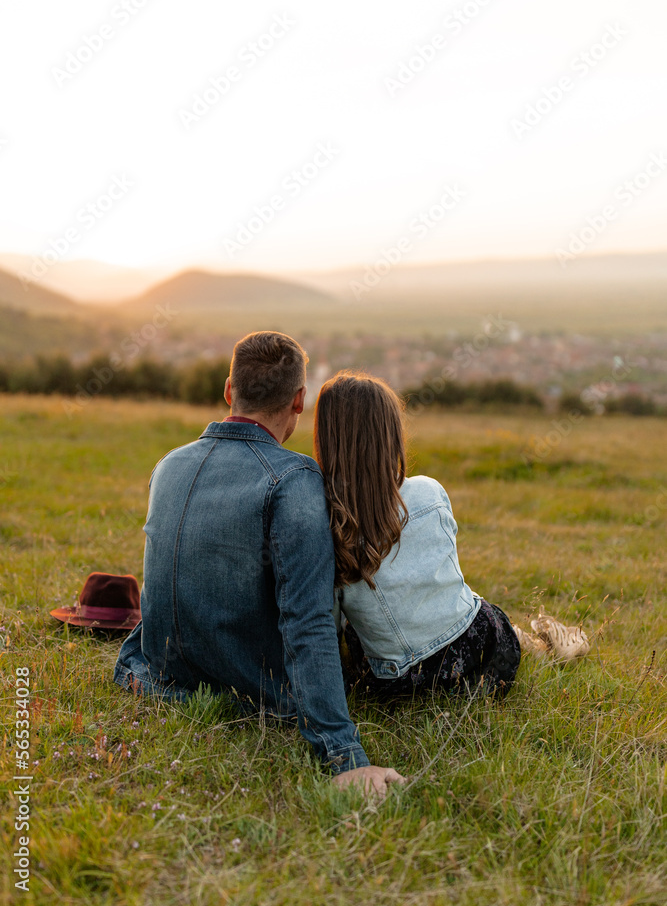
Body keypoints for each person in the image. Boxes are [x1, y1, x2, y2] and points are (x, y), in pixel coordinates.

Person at [114, 332, 404, 796]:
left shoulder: (168, 464)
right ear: (299, 401)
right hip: (256, 690)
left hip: (157, 673)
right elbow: (307, 621)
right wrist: (345, 758)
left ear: (229, 390)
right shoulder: (294, 480)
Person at [313, 371, 524, 699]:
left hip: (398, 682)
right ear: (392, 435)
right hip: (478, 649)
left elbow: (328, 623)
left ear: (326, 438)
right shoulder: (429, 492)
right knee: (483, 612)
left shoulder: (328, 523)